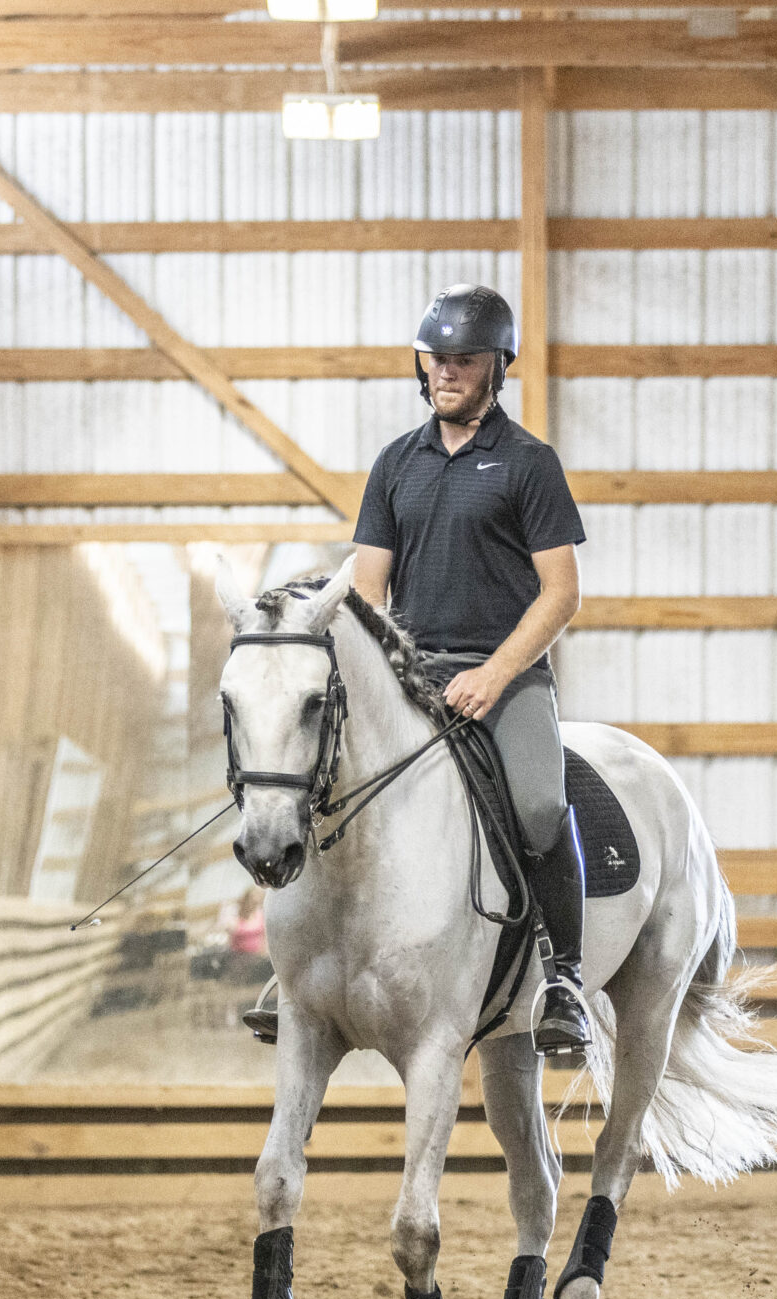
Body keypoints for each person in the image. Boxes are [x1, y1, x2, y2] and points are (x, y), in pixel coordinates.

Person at [242, 283, 591, 1061]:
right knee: (314, 779)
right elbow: (368, 593)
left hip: (505, 680)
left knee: (538, 801)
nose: (447, 374)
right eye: (436, 360)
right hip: (414, 674)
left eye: (464, 362)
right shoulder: (396, 464)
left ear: (496, 368)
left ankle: (563, 976)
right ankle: (294, 971)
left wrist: (496, 676)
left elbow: (561, 593)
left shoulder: (529, 464)